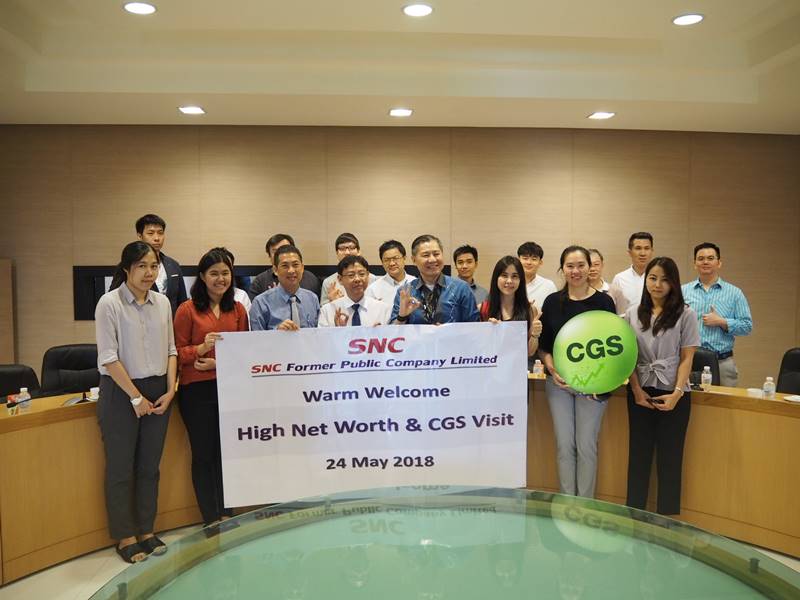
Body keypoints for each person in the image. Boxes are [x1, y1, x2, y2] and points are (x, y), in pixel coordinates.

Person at [95, 241, 177, 563]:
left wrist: (170, 390)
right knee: (120, 468)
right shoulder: (109, 303)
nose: (149, 272)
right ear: (126, 269)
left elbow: (171, 349)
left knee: (149, 467)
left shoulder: (163, 303)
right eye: (142, 266)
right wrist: (135, 396)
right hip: (121, 391)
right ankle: (125, 536)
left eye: (153, 266)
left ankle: (146, 530)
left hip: (158, 390)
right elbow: (108, 357)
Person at [173, 248, 249, 526]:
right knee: (204, 455)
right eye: (214, 273)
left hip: (229, 389)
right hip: (196, 392)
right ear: (202, 277)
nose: (221, 279)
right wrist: (200, 349)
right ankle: (210, 517)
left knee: (226, 454)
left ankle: (227, 513)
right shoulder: (187, 309)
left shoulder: (238, 309)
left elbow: (244, 352)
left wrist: (218, 364)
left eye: (225, 273)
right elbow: (176, 352)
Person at [538, 245, 617, 498]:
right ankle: (566, 505)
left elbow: (613, 348)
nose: (576, 271)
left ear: (590, 267)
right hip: (558, 385)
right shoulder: (552, 302)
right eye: (570, 266)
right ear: (562, 269)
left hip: (592, 387)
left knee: (586, 447)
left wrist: (602, 384)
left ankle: (584, 506)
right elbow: (544, 346)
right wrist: (551, 367)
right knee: (564, 446)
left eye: (581, 265)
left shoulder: (604, 302)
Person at [624, 257, 699, 515]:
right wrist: (636, 391)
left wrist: (677, 393)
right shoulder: (632, 313)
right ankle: (634, 515)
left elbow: (687, 357)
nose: (657, 284)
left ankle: (668, 520)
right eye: (653, 278)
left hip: (674, 393)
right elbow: (628, 357)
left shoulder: (686, 314)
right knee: (638, 456)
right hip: (640, 391)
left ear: (674, 283)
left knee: (670, 459)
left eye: (664, 280)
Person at [681, 242, 752, 387]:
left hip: (722, 362)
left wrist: (722, 322)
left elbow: (747, 326)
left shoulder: (734, 293)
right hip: (689, 361)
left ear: (719, 263)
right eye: (701, 258)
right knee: (690, 400)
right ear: (695, 264)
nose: (705, 262)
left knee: (724, 401)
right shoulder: (683, 291)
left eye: (710, 258)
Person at [391, 235, 480, 324]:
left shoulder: (461, 288)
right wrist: (402, 317)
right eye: (426, 255)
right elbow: (392, 330)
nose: (432, 259)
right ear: (414, 260)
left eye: (436, 254)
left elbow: (474, 326)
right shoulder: (405, 292)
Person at [480, 256, 542, 356]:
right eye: (504, 275)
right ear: (496, 278)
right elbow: (477, 348)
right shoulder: (483, 309)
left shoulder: (529, 310)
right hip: (491, 364)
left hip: (518, 365)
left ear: (520, 280)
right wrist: (489, 332)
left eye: (514, 276)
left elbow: (529, 353)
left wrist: (535, 334)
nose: (509, 281)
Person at [249, 245, 320, 330]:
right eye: (285, 266)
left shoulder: (312, 299)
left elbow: (318, 334)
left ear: (302, 268)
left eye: (295, 265)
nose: (291, 270)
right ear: (275, 270)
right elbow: (257, 337)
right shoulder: (261, 303)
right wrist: (277, 334)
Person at [135, 214, 187, 315]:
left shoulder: (173, 265)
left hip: (170, 322)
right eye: (150, 233)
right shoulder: (131, 265)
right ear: (140, 236)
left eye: (160, 233)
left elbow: (182, 301)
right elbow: (117, 296)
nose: (157, 238)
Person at [319, 256, 392, 327]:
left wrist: (379, 333)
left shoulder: (383, 309)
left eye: (362, 274)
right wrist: (338, 331)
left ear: (368, 276)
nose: (357, 279)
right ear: (340, 279)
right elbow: (322, 335)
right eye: (351, 275)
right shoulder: (327, 311)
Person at [247, 233, 321, 301]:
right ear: (269, 256)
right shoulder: (260, 282)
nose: (282, 254)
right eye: (275, 251)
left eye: (285, 249)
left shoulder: (311, 279)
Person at [321, 233, 377, 305]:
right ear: (337, 253)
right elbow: (323, 310)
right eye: (342, 248)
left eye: (351, 248)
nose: (347, 252)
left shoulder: (372, 279)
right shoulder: (329, 282)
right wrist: (333, 303)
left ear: (358, 251)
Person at [609, 232, 654, 314]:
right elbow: (613, 309)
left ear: (652, 251)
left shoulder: (658, 280)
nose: (643, 253)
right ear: (630, 252)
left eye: (647, 248)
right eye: (638, 248)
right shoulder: (619, 279)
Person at [365, 239, 416, 304]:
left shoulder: (416, 284)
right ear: (382, 262)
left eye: (396, 258)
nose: (392, 263)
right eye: (387, 260)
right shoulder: (373, 289)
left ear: (404, 258)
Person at [517, 241, 557, 312]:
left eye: (534, 259)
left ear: (540, 262)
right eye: (525, 258)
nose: (529, 262)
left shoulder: (549, 286)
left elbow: (553, 312)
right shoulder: (510, 283)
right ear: (518, 260)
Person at [217, 247, 251, 312]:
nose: (220, 278)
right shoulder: (197, 301)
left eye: (225, 272)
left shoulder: (241, 296)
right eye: (214, 273)